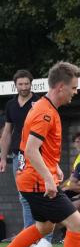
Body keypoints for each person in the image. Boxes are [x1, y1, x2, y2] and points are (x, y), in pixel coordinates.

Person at [0, 61, 80, 247]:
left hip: (31, 178)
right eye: (73, 88)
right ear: (61, 87)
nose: (75, 92)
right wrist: (47, 178)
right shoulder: (44, 112)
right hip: (36, 181)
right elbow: (31, 149)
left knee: (44, 227)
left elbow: (37, 148)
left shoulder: (45, 107)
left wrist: (53, 167)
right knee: (77, 224)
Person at [0, 70, 39, 231]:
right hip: (18, 155)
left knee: (41, 194)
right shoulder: (11, 105)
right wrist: (3, 158)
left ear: (31, 84)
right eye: (20, 84)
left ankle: (44, 235)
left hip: (38, 153)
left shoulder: (39, 102)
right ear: (15, 85)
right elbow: (7, 132)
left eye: (26, 84)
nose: (24, 87)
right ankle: (29, 233)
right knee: (23, 195)